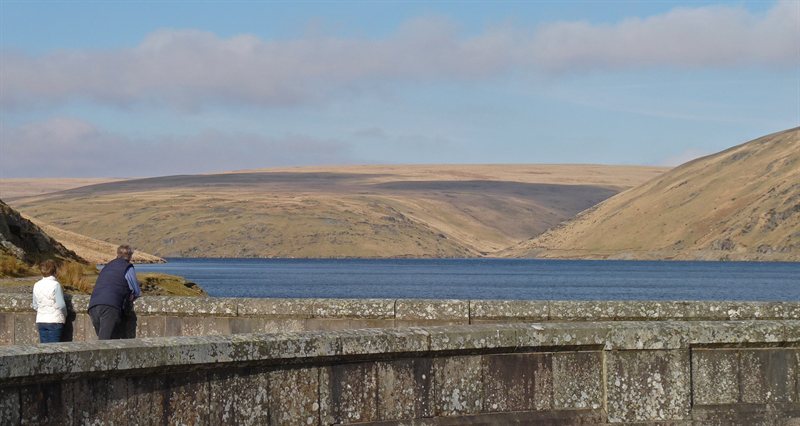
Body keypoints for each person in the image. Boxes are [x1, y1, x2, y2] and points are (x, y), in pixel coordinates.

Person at [87, 245, 141, 340]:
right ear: (129, 256)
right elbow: (136, 290)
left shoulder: (108, 266)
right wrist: (132, 296)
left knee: (105, 340)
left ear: (118, 254)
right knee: (106, 343)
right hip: (110, 307)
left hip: (93, 305)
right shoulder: (127, 267)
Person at [31, 259, 66, 343]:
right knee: (54, 349)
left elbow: (35, 305)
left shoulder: (36, 285)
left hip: (41, 320)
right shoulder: (56, 285)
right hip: (55, 320)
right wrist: (65, 315)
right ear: (55, 270)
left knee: (44, 350)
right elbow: (61, 305)